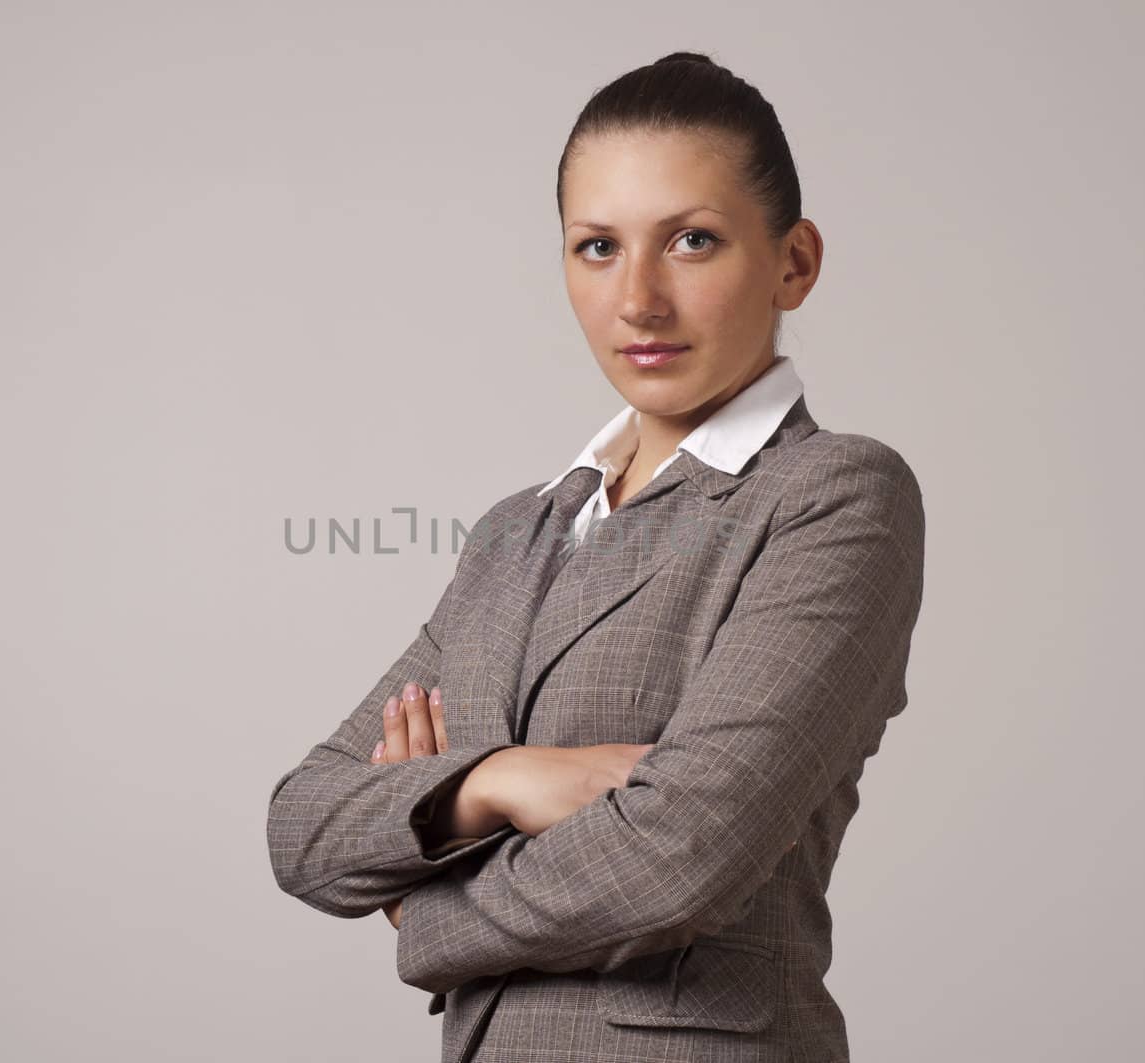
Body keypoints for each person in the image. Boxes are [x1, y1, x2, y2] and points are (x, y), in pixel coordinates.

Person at [267, 50, 926, 1063]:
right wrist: (495, 779)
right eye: (596, 247)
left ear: (793, 261)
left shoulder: (833, 496)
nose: (640, 300)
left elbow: (679, 855)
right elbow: (304, 827)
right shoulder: (513, 532)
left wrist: (415, 913)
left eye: (692, 241)